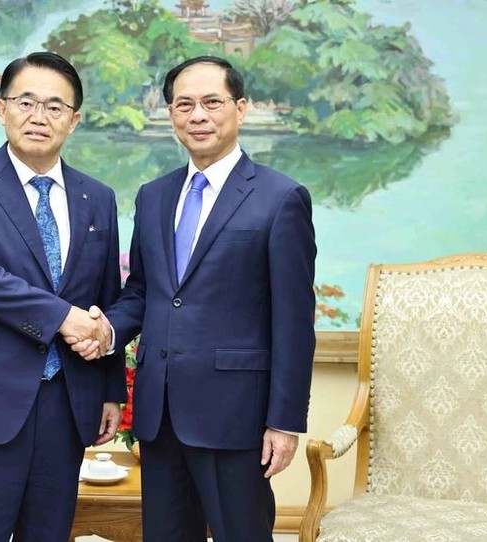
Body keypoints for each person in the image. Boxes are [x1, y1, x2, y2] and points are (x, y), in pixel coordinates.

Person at [75, 56, 317, 541]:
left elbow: (294, 321)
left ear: (241, 108)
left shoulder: (280, 198)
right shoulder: (154, 195)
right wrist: (105, 332)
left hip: (236, 416)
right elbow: (143, 292)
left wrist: (284, 422)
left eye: (212, 102)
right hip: (160, 414)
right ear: (170, 115)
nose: (197, 115)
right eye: (183, 105)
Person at [0, 51, 125, 542]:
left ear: (74, 121)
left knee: (51, 532)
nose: (40, 116)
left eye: (55, 107)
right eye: (27, 101)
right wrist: (63, 319)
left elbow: (105, 294)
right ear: (1, 108)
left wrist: (111, 390)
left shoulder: (96, 196)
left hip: (68, 398)